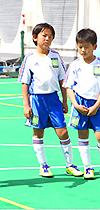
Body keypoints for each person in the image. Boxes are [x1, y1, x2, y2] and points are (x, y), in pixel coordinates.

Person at [18, 22, 83, 178]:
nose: (47, 39)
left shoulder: (55, 56)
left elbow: (63, 80)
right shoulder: (30, 58)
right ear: (35, 38)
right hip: (36, 100)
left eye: (50, 37)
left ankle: (70, 165)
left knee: (63, 131)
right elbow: (25, 83)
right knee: (38, 133)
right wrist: (26, 105)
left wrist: (65, 101)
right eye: (44, 36)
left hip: (54, 100)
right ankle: (44, 166)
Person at [63, 28, 100, 180]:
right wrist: (76, 105)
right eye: (80, 47)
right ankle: (88, 168)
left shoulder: (99, 64)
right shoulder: (75, 65)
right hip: (80, 105)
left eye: (86, 47)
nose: (83, 50)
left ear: (95, 47)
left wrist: (97, 105)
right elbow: (69, 87)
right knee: (82, 135)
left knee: (99, 137)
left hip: (97, 104)